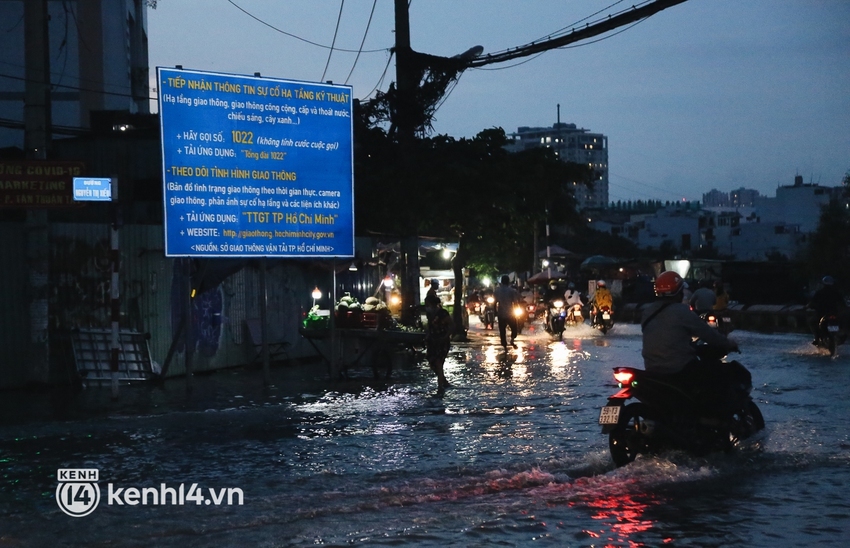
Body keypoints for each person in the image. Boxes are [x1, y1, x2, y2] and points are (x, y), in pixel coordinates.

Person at [641, 271, 739, 401]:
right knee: (717, 374)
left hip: (652, 367)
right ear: (679, 292)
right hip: (679, 368)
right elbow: (708, 334)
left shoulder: (648, 311)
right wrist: (728, 343)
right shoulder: (682, 311)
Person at [806, 276, 847, 345]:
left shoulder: (819, 293)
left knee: (812, 321)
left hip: (822, 314)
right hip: (833, 313)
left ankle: (817, 338)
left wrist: (808, 306)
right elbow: (842, 304)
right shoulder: (836, 293)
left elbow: (812, 303)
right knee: (842, 321)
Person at [424, 293, 453, 390]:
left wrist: (445, 337)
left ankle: (440, 386)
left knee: (438, 362)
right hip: (432, 341)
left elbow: (451, 326)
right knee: (432, 362)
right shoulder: (429, 314)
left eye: (427, 304)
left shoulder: (443, 313)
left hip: (442, 341)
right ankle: (443, 381)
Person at [494, 275, 519, 348]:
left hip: (501, 312)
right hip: (510, 313)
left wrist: (495, 311)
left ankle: (504, 344)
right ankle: (512, 339)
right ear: (508, 282)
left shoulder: (497, 290)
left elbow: (495, 302)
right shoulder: (512, 290)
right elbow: (515, 302)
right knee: (514, 328)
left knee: (502, 330)